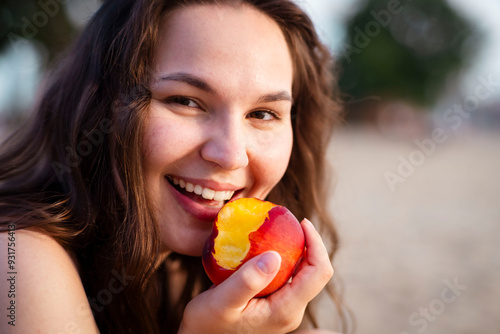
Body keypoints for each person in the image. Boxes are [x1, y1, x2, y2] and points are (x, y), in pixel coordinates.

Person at [0, 0, 346, 333]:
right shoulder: (17, 256)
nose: (230, 155)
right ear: (100, 107)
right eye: (185, 101)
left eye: (262, 114)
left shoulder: (185, 271)